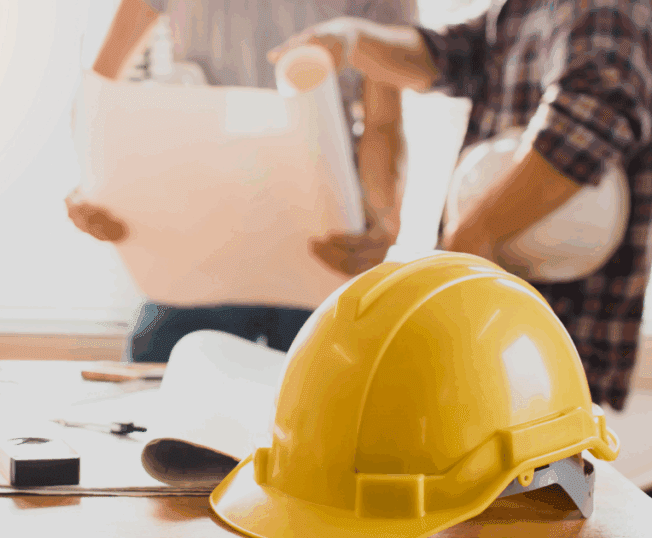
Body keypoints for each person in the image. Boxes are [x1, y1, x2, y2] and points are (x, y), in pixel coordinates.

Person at [269, 0, 652, 411]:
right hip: (510, 344)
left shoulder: (603, 7)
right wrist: (353, 40)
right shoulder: (523, 10)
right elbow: (449, 54)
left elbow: (592, 114)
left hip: (555, 338)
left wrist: (473, 235)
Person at [66, 0, 418, 363]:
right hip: (198, 232)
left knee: (324, 393)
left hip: (317, 231)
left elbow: (383, 119)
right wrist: (94, 187)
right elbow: (101, 93)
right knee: (157, 383)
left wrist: (381, 220)